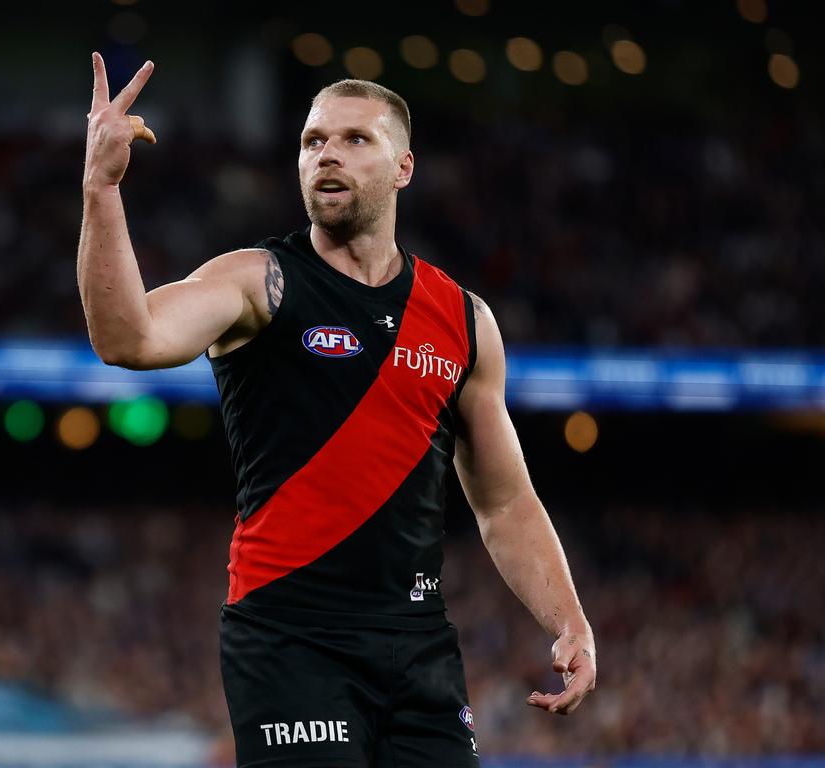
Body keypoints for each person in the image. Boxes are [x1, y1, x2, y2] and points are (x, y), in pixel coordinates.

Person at [78, 52, 597, 768]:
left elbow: (505, 505)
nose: (327, 154)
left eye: (356, 139)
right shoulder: (259, 281)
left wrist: (568, 621)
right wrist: (102, 189)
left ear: (403, 168)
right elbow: (126, 337)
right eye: (312, 140)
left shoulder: (464, 320)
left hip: (417, 643)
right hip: (290, 635)